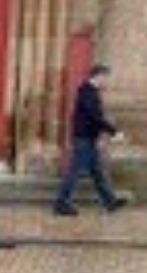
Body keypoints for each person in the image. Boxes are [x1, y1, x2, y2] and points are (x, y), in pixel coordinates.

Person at [54, 63, 129, 216]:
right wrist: (114, 132)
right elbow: (94, 116)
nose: (107, 81)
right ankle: (61, 203)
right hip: (83, 139)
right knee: (74, 173)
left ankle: (110, 201)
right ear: (99, 76)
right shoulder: (87, 91)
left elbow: (95, 117)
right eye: (106, 77)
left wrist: (103, 135)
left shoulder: (91, 91)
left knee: (98, 172)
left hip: (89, 139)